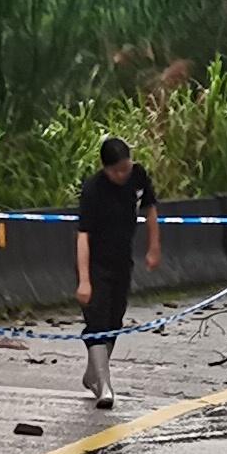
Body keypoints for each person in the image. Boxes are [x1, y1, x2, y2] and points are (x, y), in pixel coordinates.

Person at [72, 135, 160, 409]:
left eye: (127, 167)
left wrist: (154, 245)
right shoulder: (93, 190)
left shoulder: (138, 176)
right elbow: (83, 236)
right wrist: (84, 280)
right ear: (106, 168)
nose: (124, 174)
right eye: (118, 170)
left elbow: (150, 208)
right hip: (96, 264)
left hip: (122, 261)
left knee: (114, 321)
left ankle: (93, 375)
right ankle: (105, 386)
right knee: (97, 320)